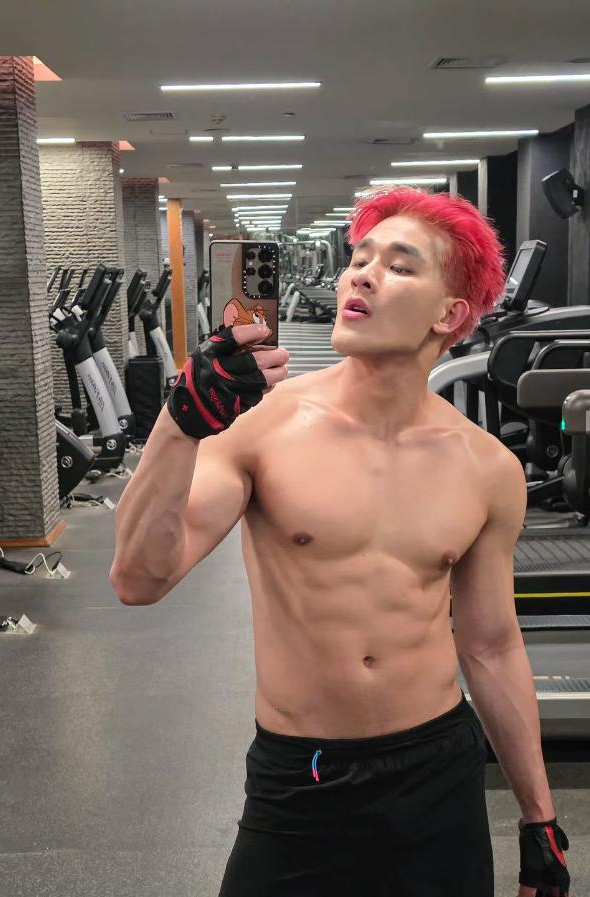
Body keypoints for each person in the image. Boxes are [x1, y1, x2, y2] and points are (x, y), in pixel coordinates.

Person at [110, 188, 570, 897]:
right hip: (302, 778)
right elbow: (138, 580)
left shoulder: (487, 468)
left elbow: (490, 645)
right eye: (360, 259)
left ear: (449, 315)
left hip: (436, 773)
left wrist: (539, 818)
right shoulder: (260, 427)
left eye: (399, 265)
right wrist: (178, 425)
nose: (362, 275)